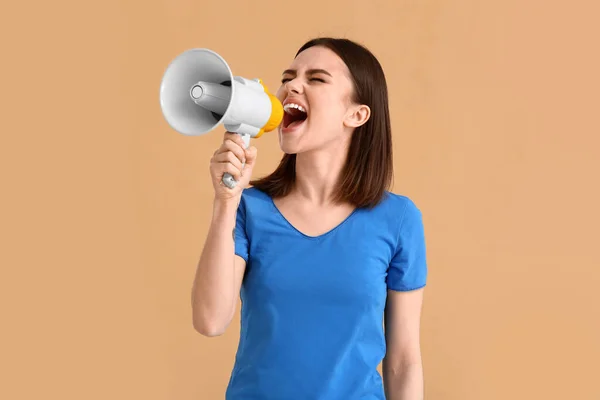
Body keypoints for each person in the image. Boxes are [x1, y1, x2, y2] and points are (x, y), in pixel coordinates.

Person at [192, 37, 428, 400]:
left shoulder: (397, 219)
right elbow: (210, 321)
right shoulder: (248, 208)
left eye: (316, 79)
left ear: (357, 114)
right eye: (288, 76)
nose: (291, 85)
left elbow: (403, 360)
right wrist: (226, 201)